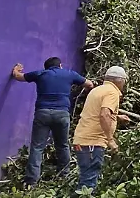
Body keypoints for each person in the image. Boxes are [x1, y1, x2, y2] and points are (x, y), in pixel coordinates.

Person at [11, 58, 93, 187]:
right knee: (63, 145)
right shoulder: (69, 74)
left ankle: (31, 181)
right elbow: (89, 84)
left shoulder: (40, 74)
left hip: (42, 113)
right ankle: (64, 177)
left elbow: (18, 76)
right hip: (62, 114)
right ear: (60, 66)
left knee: (37, 147)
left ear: (46, 67)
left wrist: (16, 69)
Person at [66, 65, 129, 198]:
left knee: (86, 178)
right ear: (120, 81)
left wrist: (117, 116)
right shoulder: (112, 92)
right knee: (88, 181)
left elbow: (99, 112)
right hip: (92, 143)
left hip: (82, 140)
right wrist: (110, 139)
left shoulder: (97, 90)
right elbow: (103, 114)